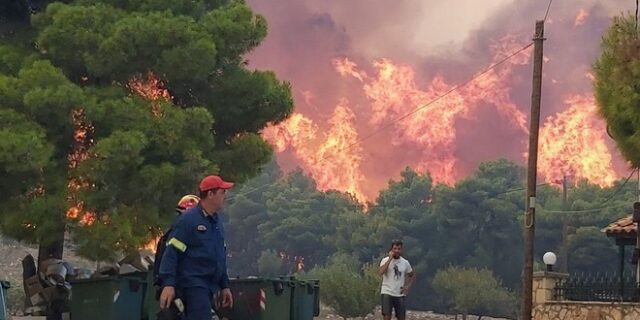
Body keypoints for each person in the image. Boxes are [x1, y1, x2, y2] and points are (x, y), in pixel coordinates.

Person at [159, 175, 235, 320]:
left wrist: (224, 285)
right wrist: (168, 284)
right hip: (193, 284)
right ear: (210, 194)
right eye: (222, 192)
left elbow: (220, 256)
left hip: (211, 286)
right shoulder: (188, 220)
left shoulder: (216, 222)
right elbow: (171, 253)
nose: (225, 196)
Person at [378, 240, 415, 320]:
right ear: (391, 250)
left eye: (399, 249)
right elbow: (381, 272)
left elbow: (411, 275)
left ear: (401, 250)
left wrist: (407, 286)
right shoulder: (385, 260)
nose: (397, 251)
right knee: (387, 316)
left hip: (399, 293)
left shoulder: (405, 262)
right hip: (387, 291)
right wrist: (389, 260)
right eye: (395, 249)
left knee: (401, 316)